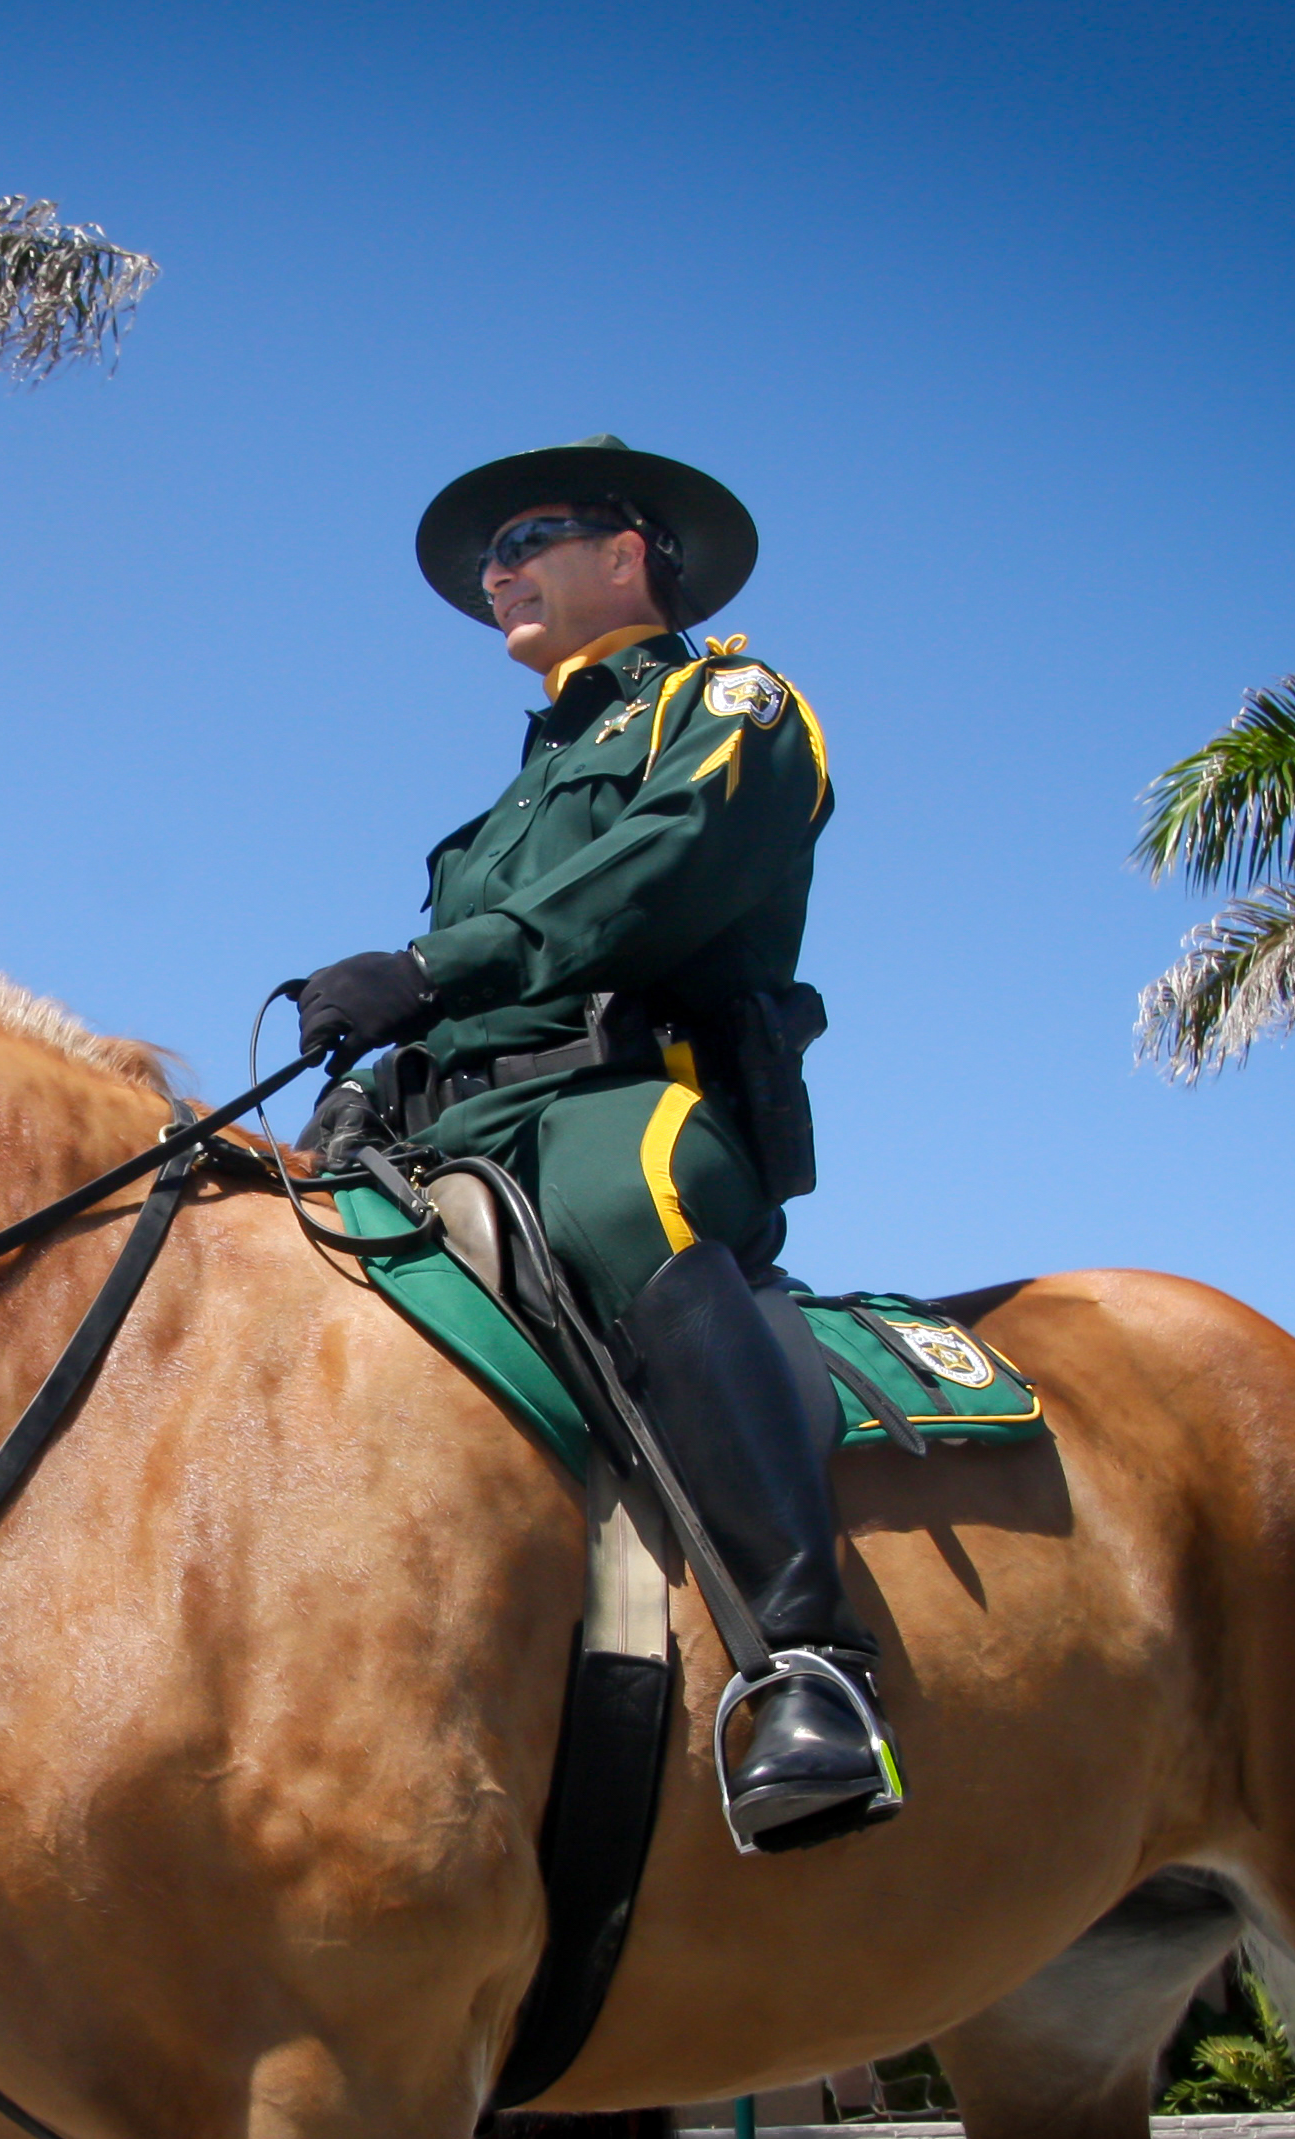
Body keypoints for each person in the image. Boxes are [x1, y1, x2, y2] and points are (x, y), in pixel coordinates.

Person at [287, 436, 901, 1851]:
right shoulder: (505, 796)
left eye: (526, 540)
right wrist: (368, 1087)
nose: (496, 573)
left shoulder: (729, 705)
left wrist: (438, 965)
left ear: (625, 553)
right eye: (490, 557)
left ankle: (809, 1662)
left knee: (618, 1203)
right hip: (460, 1123)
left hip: (630, 1100)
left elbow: (657, 874)